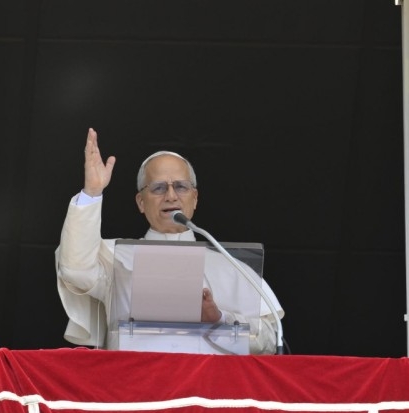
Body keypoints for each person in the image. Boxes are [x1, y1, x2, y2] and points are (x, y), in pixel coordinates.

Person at [55, 128, 284, 354]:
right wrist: (92, 193)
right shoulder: (115, 257)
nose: (171, 196)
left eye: (181, 187)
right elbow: (75, 269)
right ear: (141, 202)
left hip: (207, 388)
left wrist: (219, 319)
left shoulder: (232, 267)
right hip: (134, 385)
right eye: (158, 188)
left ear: (194, 199)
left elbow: (268, 341)